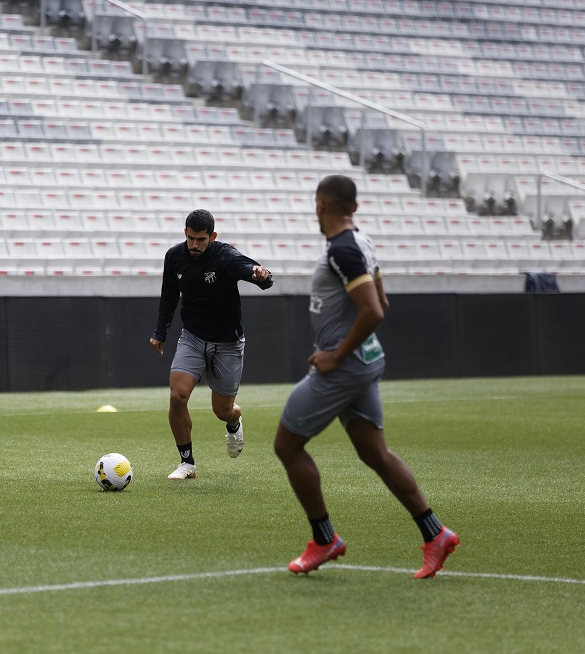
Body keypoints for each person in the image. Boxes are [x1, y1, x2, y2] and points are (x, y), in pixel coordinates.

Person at [274, 175, 459, 578]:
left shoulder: (342, 250)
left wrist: (335, 355)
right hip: (363, 362)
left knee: (287, 446)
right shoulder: (360, 241)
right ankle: (436, 534)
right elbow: (383, 302)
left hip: (346, 367)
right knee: (375, 453)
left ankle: (324, 539)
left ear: (320, 205)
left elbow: (373, 310)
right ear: (354, 207)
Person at [150, 208, 274, 480]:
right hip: (193, 337)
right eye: (191, 238)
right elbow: (169, 294)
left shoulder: (224, 255)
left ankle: (234, 420)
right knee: (177, 396)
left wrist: (259, 274)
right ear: (185, 233)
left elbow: (247, 268)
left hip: (227, 343)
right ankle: (187, 463)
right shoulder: (174, 257)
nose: (195, 245)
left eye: (201, 240)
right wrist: (160, 332)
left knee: (222, 410)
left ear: (212, 236)